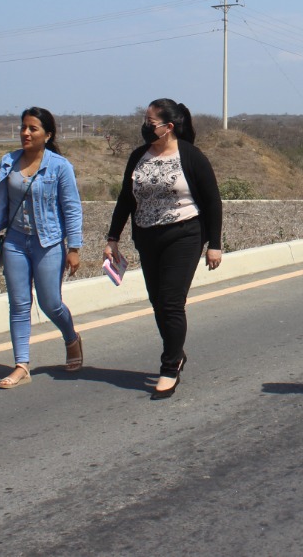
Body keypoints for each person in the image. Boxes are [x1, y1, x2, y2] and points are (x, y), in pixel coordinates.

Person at [105, 99, 222, 400]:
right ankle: (176, 351)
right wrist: (112, 238)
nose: (145, 127)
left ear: (168, 127)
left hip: (184, 235)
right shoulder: (138, 156)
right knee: (157, 302)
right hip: (147, 236)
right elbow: (126, 199)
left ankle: (169, 366)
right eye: (145, 121)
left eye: (150, 122)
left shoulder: (191, 156)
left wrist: (215, 245)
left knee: (171, 302)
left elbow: (212, 201)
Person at [0, 107, 84, 389]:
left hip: (49, 243)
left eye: (33, 128)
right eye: (23, 127)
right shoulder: (8, 161)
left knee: (51, 303)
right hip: (15, 242)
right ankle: (21, 365)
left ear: (47, 135)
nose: (26, 133)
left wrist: (74, 248)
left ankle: (71, 338)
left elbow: (72, 208)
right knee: (19, 304)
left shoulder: (59, 166)